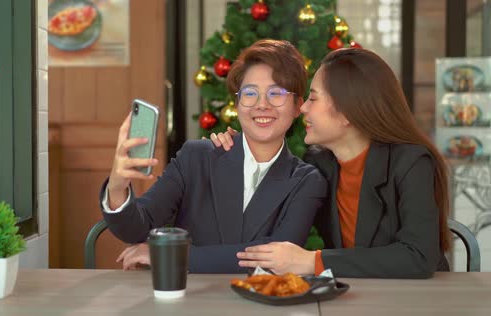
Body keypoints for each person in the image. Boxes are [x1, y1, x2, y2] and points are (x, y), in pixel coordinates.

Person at [210, 48, 451, 278]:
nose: (303, 107)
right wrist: (238, 152)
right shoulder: (318, 164)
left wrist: (313, 261)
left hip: (419, 300)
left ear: (347, 112)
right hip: (354, 298)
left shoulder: (411, 163)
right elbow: (263, 222)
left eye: (313, 98)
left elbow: (419, 256)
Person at [100, 39, 326, 273]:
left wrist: (170, 254)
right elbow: (135, 228)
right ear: (237, 104)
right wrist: (117, 186)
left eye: (276, 93)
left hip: (262, 304)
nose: (262, 105)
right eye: (250, 93)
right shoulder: (196, 158)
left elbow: (277, 257)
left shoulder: (306, 180)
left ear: (298, 104)